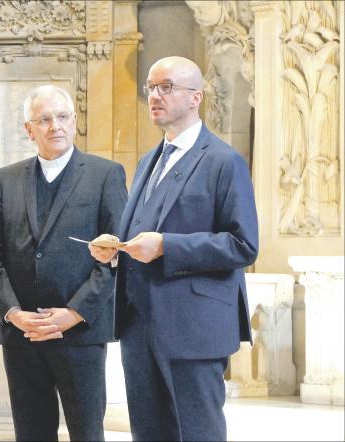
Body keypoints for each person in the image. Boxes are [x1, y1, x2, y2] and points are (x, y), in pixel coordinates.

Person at [89, 56, 258, 441]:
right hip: (138, 324)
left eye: (167, 87)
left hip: (194, 327)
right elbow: (145, 228)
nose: (155, 96)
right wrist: (117, 247)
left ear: (196, 97)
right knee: (149, 433)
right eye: (151, 87)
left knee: (196, 433)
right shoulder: (149, 160)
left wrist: (168, 246)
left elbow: (243, 244)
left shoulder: (224, 161)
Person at [0, 85, 127, 441]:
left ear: (74, 121)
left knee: (86, 432)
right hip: (22, 331)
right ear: (29, 130)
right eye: (44, 119)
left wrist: (73, 313)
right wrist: (12, 312)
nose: (55, 126)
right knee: (31, 432)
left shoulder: (105, 174)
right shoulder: (8, 178)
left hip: (80, 332)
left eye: (62, 117)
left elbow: (116, 257)